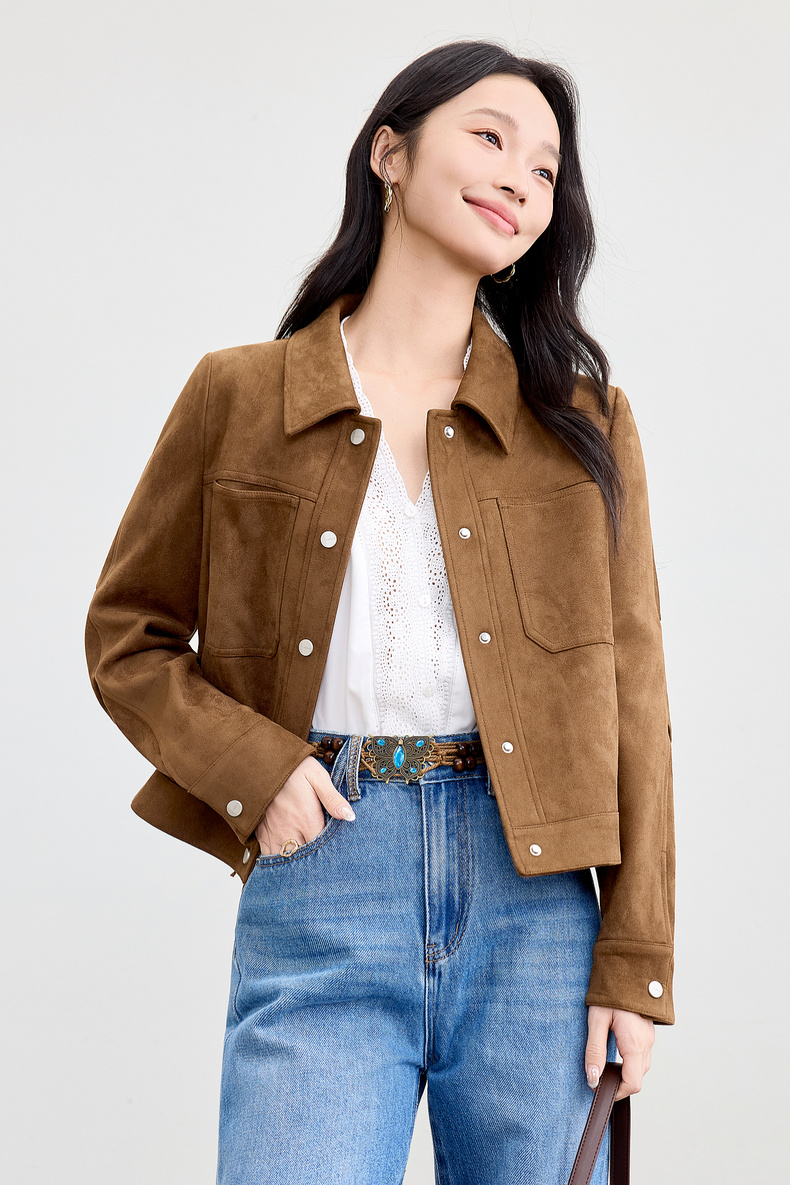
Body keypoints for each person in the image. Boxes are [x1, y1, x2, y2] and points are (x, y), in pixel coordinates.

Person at [85, 39, 675, 1185]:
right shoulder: (240, 397)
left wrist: (634, 961)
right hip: (327, 874)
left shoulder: (583, 423)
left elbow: (635, 705)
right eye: (489, 138)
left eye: (545, 170)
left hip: (536, 909)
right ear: (389, 154)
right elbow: (128, 635)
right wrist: (257, 770)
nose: (519, 179)